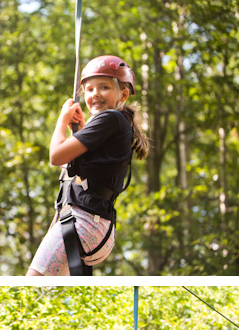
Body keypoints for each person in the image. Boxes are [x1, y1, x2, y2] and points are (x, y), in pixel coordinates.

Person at [26, 56, 149, 276]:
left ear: (123, 94)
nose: (95, 94)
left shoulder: (111, 118)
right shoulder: (114, 124)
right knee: (48, 293)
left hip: (82, 222)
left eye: (104, 87)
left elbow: (55, 156)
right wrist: (81, 131)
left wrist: (61, 122)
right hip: (89, 226)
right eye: (89, 89)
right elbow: (67, 167)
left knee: (31, 286)